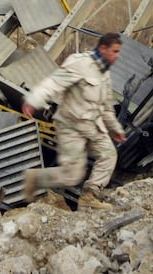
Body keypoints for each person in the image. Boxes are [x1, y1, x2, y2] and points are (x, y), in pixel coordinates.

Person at [21, 32, 126, 209]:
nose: (118, 56)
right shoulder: (79, 63)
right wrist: (33, 101)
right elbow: (53, 83)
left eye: (118, 52)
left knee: (108, 155)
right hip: (71, 127)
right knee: (72, 176)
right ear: (103, 48)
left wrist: (115, 129)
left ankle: (89, 198)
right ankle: (35, 178)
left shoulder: (104, 73)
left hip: (94, 126)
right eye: (115, 51)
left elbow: (106, 106)